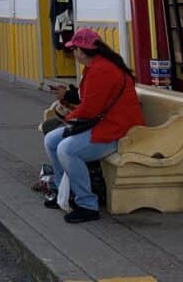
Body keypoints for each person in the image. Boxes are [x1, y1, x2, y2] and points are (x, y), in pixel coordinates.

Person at [43, 28, 143, 224]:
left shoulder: (102, 70)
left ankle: (87, 204)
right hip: (103, 124)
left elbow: (89, 109)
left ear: (81, 51)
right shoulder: (95, 66)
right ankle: (63, 191)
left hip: (118, 131)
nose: (73, 53)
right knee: (51, 140)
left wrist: (67, 117)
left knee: (67, 149)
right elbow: (87, 99)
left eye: (74, 49)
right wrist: (68, 97)